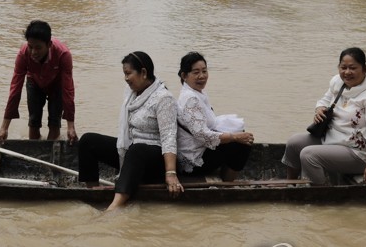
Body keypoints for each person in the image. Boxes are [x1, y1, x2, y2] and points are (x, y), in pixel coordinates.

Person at [78, 51, 182, 210]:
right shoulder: (131, 94)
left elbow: (169, 137)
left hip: (155, 159)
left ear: (144, 72)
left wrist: (171, 173)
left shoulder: (163, 98)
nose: (126, 78)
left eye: (128, 73)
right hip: (133, 152)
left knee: (137, 149)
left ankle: (115, 206)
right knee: (88, 141)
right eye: (124, 74)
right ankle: (93, 191)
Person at [282, 47, 366, 187]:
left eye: (353, 68)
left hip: (356, 152)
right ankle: (290, 184)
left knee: (309, 155)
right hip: (330, 139)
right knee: (294, 142)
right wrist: (319, 109)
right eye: (343, 67)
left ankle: (320, 193)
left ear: (365, 69)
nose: (347, 72)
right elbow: (324, 101)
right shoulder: (337, 82)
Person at [175, 52, 254, 181]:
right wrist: (234, 137)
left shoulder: (198, 93)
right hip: (193, 160)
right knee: (243, 143)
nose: (202, 76)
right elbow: (203, 135)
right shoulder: (190, 99)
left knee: (241, 135)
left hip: (200, 149)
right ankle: (228, 185)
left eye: (204, 71)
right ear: (184, 75)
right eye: (196, 72)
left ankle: (226, 178)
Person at [0, 20, 77, 144]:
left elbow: (68, 90)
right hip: (34, 81)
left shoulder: (63, 54)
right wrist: (4, 127)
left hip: (57, 83)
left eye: (38, 48)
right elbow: (15, 90)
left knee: (54, 122)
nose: (33, 52)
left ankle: (52, 149)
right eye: (30, 47)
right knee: (34, 121)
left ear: (49, 45)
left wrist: (71, 126)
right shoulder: (23, 54)